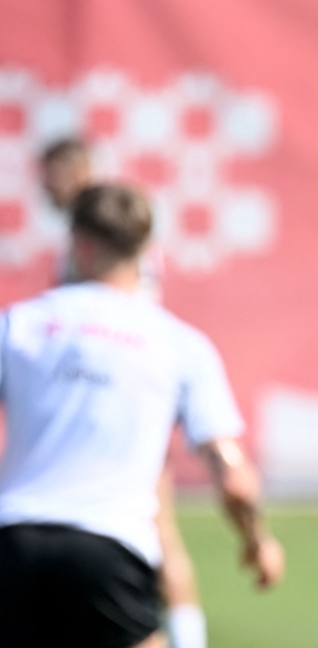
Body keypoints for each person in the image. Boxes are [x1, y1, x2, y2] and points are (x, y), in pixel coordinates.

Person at [0, 185, 284, 647]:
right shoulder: (177, 343)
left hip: (12, 542)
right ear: (147, 251)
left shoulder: (19, 324)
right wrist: (258, 539)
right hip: (109, 548)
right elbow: (233, 475)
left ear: (80, 245)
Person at [39, 139, 202, 647]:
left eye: (51, 175)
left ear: (74, 173)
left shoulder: (106, 234)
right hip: (108, 408)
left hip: (114, 410)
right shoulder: (107, 230)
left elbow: (129, 320)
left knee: (158, 527)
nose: (44, 187)